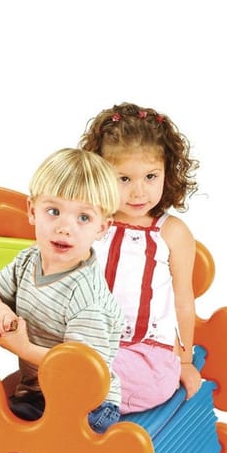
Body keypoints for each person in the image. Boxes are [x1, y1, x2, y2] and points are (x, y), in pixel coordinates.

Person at [0, 148, 124, 453]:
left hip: (87, 403)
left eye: (83, 218)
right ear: (32, 211)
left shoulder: (84, 295)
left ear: (103, 228)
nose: (64, 227)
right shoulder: (28, 261)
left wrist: (23, 348)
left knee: (47, 452)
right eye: (53, 211)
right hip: (41, 389)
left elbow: (80, 373)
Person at [79, 102, 201, 412]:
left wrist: (185, 361)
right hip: (89, 343)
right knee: (52, 356)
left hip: (146, 354)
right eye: (124, 179)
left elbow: (183, 301)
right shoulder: (90, 221)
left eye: (150, 176)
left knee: (92, 373)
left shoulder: (171, 232)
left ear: (167, 172)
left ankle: (83, 403)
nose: (138, 192)